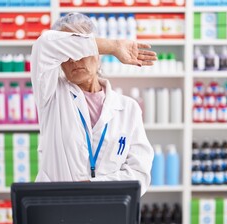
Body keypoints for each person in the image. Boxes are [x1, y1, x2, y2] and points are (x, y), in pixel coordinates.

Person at [31, 13, 157, 195]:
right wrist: (114, 46)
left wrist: (93, 185)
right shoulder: (51, 95)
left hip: (108, 210)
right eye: (67, 53)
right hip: (57, 207)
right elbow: (44, 44)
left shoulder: (128, 109)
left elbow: (140, 174)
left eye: (81, 51)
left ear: (98, 55)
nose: (74, 60)